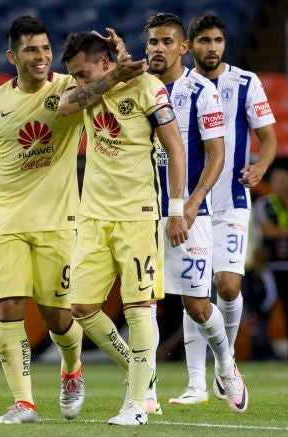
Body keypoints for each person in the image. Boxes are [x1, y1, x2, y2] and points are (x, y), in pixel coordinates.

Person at [0, 17, 137, 424]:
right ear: (12, 56)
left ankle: (71, 370)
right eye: (32, 49)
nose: (42, 56)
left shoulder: (68, 86)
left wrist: (117, 63)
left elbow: (112, 87)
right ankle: (24, 402)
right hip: (6, 220)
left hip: (60, 221)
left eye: (46, 48)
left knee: (59, 318)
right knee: (8, 307)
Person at [58, 30, 188, 426]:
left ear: (104, 60)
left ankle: (136, 404)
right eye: (75, 75)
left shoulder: (148, 88)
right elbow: (65, 106)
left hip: (137, 214)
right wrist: (108, 79)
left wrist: (177, 208)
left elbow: (175, 147)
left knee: (138, 308)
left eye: (83, 72)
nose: (79, 81)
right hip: (93, 216)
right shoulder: (94, 88)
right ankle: (143, 376)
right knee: (81, 308)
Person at [139, 12, 246, 415]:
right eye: (152, 42)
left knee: (196, 307)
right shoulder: (138, 89)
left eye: (168, 42)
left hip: (188, 216)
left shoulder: (201, 91)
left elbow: (217, 154)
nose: (159, 49)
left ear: (183, 47)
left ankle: (226, 365)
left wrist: (192, 203)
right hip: (143, 212)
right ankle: (145, 391)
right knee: (142, 303)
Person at [173, 13, 277, 405]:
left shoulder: (245, 82)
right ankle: (198, 381)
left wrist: (261, 166)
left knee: (228, 286)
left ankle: (224, 363)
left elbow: (268, 137)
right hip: (191, 203)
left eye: (217, 41)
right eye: (204, 41)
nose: (211, 48)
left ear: (225, 44)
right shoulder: (180, 87)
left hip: (231, 198)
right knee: (194, 287)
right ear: (191, 46)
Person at [254, 167, 288, 360]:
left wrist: (287, 202)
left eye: (286, 181)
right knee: (264, 308)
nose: (282, 185)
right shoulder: (264, 203)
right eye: (279, 180)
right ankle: (260, 350)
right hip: (270, 267)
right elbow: (268, 231)